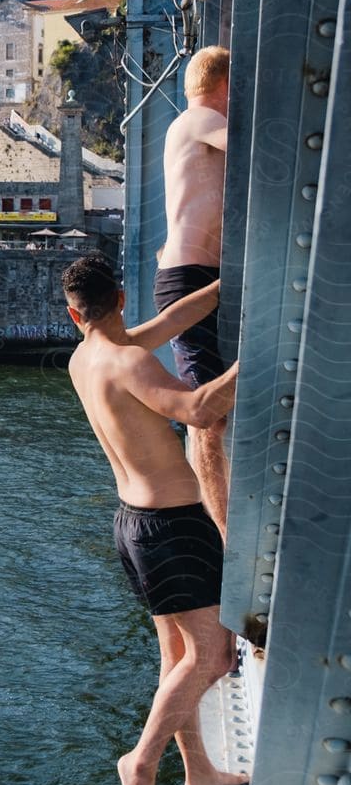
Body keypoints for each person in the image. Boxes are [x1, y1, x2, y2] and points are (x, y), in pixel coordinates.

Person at [63, 254, 242, 785]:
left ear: (73, 314)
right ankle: (139, 762)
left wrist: (227, 285)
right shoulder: (130, 360)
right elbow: (198, 409)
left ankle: (198, 773)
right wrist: (263, 351)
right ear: (120, 297)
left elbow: (169, 322)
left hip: (134, 527)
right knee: (212, 657)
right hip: (175, 530)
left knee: (177, 660)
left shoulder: (88, 359)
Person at [153, 44, 231, 538]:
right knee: (206, 413)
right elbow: (256, 148)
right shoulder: (198, 120)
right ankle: (223, 535)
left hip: (199, 275)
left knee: (212, 410)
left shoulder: (189, 125)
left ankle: (214, 514)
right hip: (190, 278)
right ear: (227, 86)